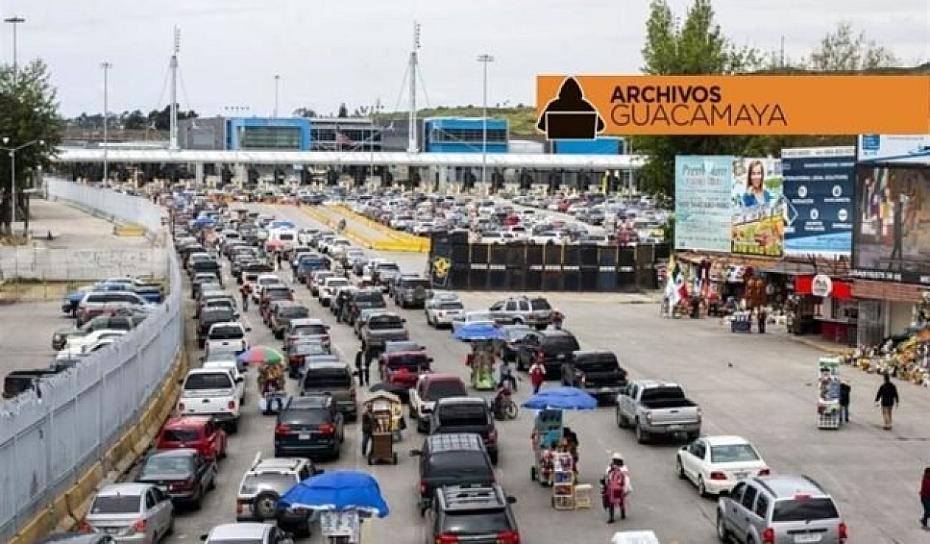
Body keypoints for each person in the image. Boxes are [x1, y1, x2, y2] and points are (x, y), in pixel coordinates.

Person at [602, 452, 631, 523]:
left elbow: (606, 477)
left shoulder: (610, 468)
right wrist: (625, 490)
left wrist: (605, 486)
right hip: (620, 489)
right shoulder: (624, 468)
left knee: (611, 502)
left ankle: (612, 517)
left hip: (613, 488)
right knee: (621, 501)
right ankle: (622, 514)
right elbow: (627, 481)